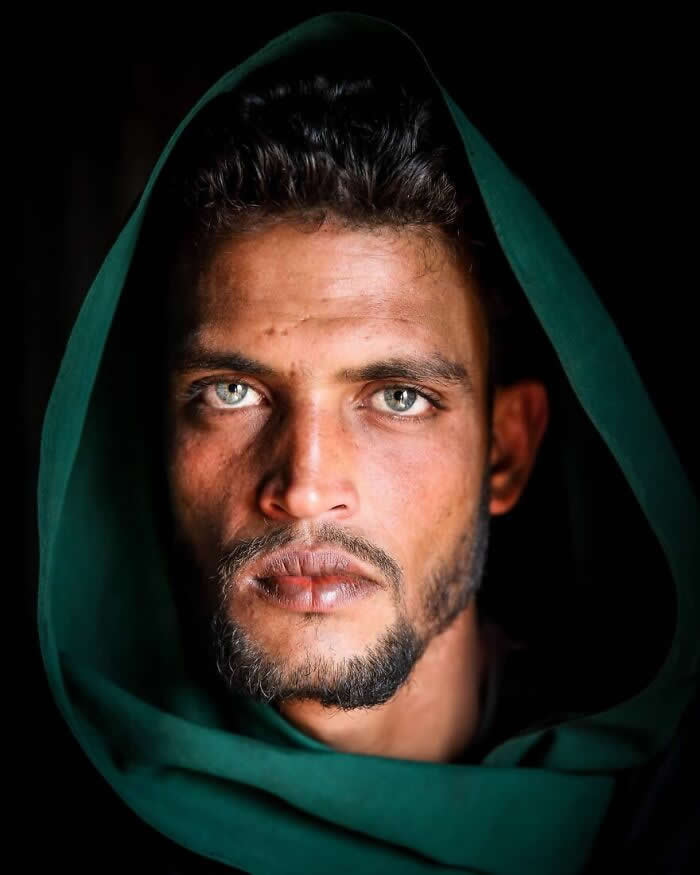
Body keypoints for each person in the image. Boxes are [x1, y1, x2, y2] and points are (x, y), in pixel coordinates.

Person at [36, 12, 699, 874]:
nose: (306, 485)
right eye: (232, 392)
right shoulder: (46, 805)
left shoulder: (664, 816)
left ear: (504, 452)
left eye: (396, 397)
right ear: (159, 442)